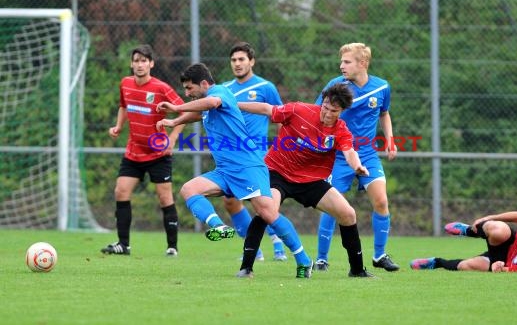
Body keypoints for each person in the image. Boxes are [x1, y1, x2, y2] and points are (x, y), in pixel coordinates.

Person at [155, 63, 313, 278]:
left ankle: (303, 259)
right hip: (225, 171)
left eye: (189, 88)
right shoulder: (206, 106)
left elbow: (211, 102)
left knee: (267, 213)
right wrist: (175, 121)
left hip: (247, 167)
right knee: (189, 189)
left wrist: (176, 107)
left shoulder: (220, 92)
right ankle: (219, 227)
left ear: (204, 84)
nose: (187, 93)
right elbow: (199, 114)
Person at [237, 83, 374, 278]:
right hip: (278, 172)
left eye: (333, 111)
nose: (326, 113)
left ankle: (358, 270)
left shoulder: (341, 130)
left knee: (348, 214)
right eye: (325, 107)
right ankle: (246, 268)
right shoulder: (298, 110)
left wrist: (357, 166)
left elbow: (349, 151)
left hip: (311, 181)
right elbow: (267, 109)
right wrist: (235, 104)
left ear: (342, 111)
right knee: (267, 211)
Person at [314, 43, 399, 272]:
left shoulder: (381, 87)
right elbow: (317, 113)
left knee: (381, 201)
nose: (342, 66)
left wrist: (390, 139)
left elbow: (384, 113)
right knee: (333, 206)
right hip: (340, 155)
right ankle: (321, 258)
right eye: (341, 62)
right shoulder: (336, 86)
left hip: (368, 154)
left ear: (363, 64)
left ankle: (379, 256)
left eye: (347, 62)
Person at [101, 44, 185, 256]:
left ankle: (172, 247)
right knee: (121, 191)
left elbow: (183, 111)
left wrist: (172, 139)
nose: (139, 65)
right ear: (131, 63)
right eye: (136, 60)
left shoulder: (161, 88)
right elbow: (124, 106)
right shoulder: (126, 83)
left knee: (165, 198)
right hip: (133, 151)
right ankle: (123, 245)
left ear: (151, 64)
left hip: (158, 153)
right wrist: (119, 126)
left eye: (144, 61)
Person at [221, 42, 286, 261]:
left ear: (252, 62)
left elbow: (280, 117)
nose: (237, 64)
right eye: (234, 60)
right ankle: (255, 250)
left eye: (241, 59)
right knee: (230, 202)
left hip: (257, 154)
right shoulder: (225, 89)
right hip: (232, 155)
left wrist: (280, 147)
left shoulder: (265, 88)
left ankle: (279, 245)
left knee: (260, 202)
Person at [410, 211, 517, 273]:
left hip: (503, 260)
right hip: (509, 240)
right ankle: (469, 230)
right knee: (498, 229)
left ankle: (436, 263)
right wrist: (490, 217)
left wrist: (501, 268)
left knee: (468, 266)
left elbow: (513, 270)